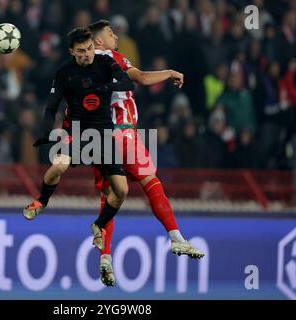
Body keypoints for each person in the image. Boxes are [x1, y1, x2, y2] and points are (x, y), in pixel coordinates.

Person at [87, 20, 204, 286]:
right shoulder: (112, 56)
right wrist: (169, 72)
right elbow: (140, 77)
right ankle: (176, 239)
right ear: (98, 42)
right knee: (151, 182)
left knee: (110, 197)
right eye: (110, 33)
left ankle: (105, 258)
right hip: (123, 132)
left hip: (98, 137)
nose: (115, 35)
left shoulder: (85, 67)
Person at [23, 27, 133, 254]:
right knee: (58, 166)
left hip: (103, 134)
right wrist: (45, 132)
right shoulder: (65, 72)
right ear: (72, 51)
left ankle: (98, 224)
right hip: (77, 131)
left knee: (121, 190)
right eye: (81, 51)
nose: (87, 54)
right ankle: (41, 201)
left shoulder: (104, 64)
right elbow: (51, 106)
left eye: (90, 48)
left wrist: (108, 86)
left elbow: (127, 83)